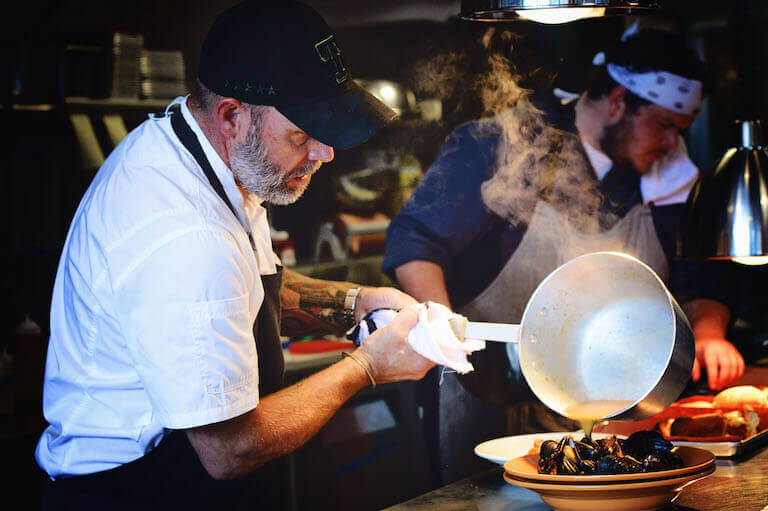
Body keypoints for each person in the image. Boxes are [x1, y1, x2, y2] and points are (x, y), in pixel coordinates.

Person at [35, 2, 433, 509]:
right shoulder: (187, 237)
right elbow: (230, 449)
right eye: (301, 134)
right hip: (134, 494)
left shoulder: (207, 157)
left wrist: (358, 303)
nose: (325, 153)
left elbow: (248, 288)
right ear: (231, 116)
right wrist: (368, 366)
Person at [383, 25, 744, 422]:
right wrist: (439, 326)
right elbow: (415, 241)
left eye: (680, 130)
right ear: (618, 102)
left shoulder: (670, 175)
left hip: (619, 403)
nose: (672, 143)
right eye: (664, 125)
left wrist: (709, 332)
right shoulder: (503, 144)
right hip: (489, 397)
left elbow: (703, 275)